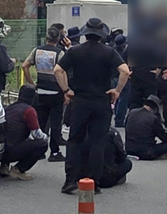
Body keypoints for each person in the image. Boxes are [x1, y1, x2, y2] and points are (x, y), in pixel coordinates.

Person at [54, 18, 130, 195]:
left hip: (80, 101)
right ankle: (93, 182)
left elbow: (58, 70)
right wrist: (117, 90)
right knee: (98, 142)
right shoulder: (109, 52)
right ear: (102, 34)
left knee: (75, 140)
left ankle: (70, 180)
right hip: (101, 102)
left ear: (85, 33)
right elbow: (125, 71)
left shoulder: (75, 52)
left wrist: (66, 89)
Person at [22, 26, 66, 162]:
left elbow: (25, 65)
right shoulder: (59, 53)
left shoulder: (37, 51)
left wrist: (31, 82)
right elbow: (62, 71)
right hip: (56, 91)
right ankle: (54, 151)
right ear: (58, 39)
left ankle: (39, 149)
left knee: (41, 120)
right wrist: (65, 90)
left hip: (40, 90)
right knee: (56, 122)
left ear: (46, 38)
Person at [0, 85, 48, 180]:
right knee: (42, 144)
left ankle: (4, 166)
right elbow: (37, 134)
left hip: (0, 150)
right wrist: (45, 137)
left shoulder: (9, 108)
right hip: (13, 150)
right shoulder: (29, 111)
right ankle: (18, 169)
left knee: (10, 136)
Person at [125, 95, 167, 160]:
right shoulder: (153, 118)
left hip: (129, 149)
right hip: (146, 152)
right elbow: (164, 137)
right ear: (155, 109)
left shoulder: (132, 112)